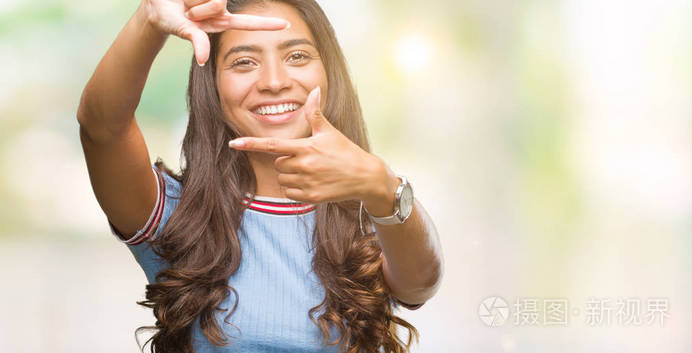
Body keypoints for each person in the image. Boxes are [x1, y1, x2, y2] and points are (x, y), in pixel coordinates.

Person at [77, 0, 444, 352]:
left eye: (297, 56)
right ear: (213, 84)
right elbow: (101, 128)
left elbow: (419, 286)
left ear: (329, 73)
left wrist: (382, 184)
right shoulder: (177, 216)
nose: (274, 81)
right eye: (244, 61)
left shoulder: (380, 211)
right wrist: (149, 18)